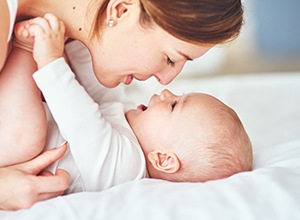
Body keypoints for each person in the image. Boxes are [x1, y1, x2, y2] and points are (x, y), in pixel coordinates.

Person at [0, 0, 245, 210]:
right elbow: (96, 98)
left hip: (14, 142)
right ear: (121, 10)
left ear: (164, 159)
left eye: (173, 106)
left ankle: (24, 50)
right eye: (170, 58)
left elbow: (83, 120)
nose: (166, 83)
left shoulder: (129, 167)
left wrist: (53, 61)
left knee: (27, 138)